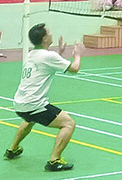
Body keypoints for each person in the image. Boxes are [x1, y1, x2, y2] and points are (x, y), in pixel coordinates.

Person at [5, 23, 81, 170]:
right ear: (45, 38)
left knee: (30, 119)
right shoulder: (49, 56)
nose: (51, 34)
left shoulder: (31, 54)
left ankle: (12, 149)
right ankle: (54, 160)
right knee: (68, 124)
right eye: (49, 32)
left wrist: (60, 52)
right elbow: (74, 68)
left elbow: (48, 63)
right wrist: (77, 54)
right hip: (34, 104)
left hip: (20, 103)